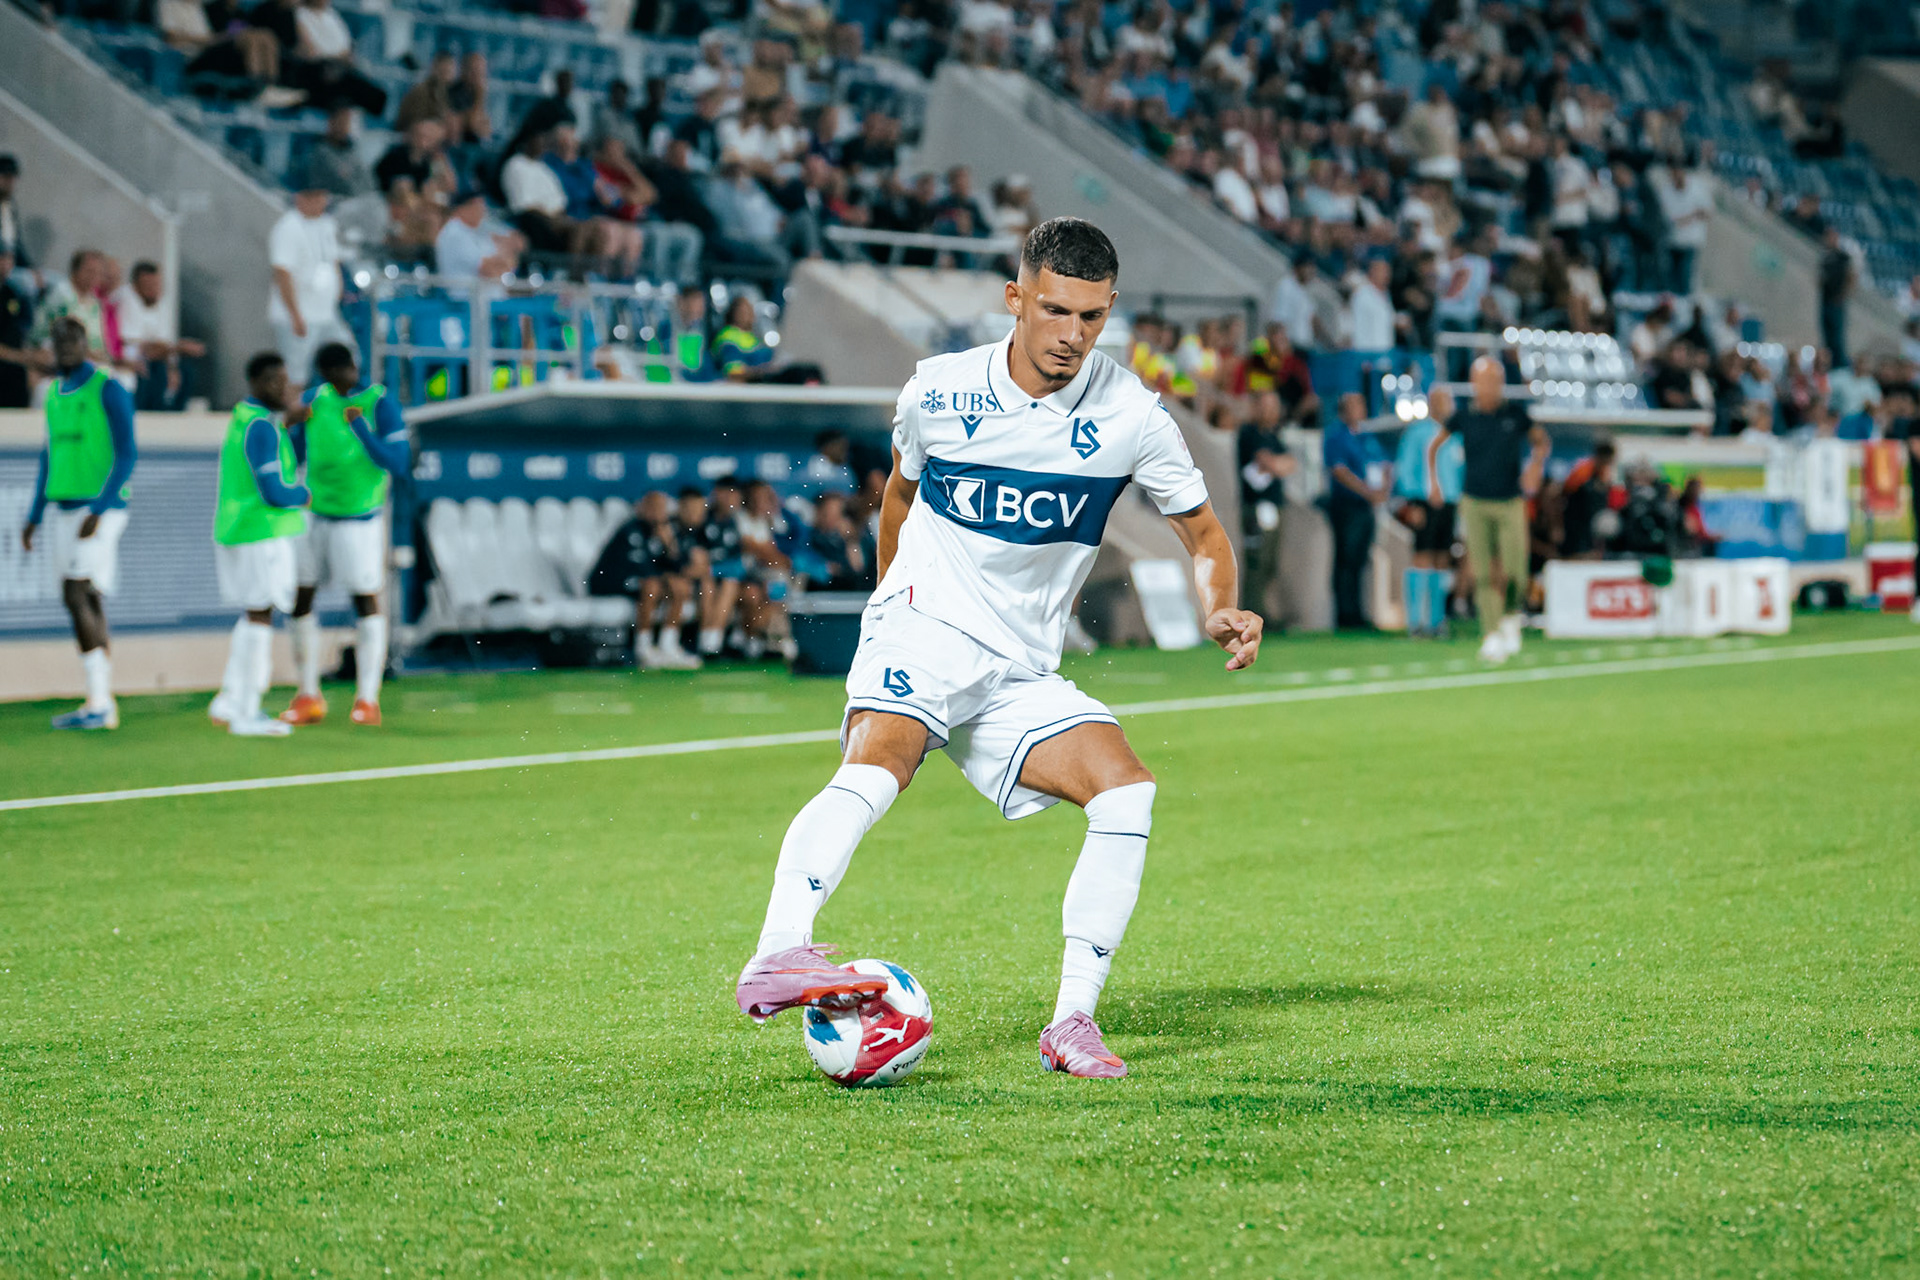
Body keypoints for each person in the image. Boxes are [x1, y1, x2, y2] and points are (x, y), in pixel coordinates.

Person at [733, 218, 1262, 1079]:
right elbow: (900, 500)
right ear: (1016, 299)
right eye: (1055, 311)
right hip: (926, 623)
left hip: (1019, 666)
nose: (1072, 335)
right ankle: (778, 950)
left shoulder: (1131, 416)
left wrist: (1223, 607)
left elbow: (1202, 534)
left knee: (1126, 793)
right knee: (877, 769)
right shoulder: (937, 391)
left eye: (1092, 318)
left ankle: (1071, 1024)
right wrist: (890, 604)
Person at [280, 343, 408, 727]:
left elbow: (397, 463)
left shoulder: (378, 402)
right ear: (323, 373)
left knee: (365, 599)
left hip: (359, 518)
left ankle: (368, 698)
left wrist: (361, 429)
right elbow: (294, 457)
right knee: (300, 597)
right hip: (315, 514)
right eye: (335, 373)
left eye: (348, 370)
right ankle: (308, 694)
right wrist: (289, 427)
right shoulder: (312, 402)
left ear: (356, 367)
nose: (344, 379)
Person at [19, 318, 138, 730]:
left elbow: (127, 454)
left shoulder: (109, 388)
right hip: (64, 510)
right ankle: (100, 701)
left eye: (73, 341)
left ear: (85, 344)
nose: (66, 348)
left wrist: (100, 508)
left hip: (101, 510)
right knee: (85, 597)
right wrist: (34, 515)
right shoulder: (53, 393)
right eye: (59, 342)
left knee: (76, 592)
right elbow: (48, 457)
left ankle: (102, 702)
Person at [207, 352, 310, 738]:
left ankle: (231, 699)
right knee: (261, 616)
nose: (287, 388)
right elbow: (273, 491)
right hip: (259, 532)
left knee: (252, 613)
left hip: (237, 529)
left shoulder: (246, 419)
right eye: (278, 381)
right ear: (260, 384)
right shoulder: (263, 428)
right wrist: (306, 495)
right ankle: (247, 711)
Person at [1453, 356, 1549, 662]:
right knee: (1482, 571)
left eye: (1495, 380)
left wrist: (1535, 466)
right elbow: (1436, 445)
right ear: (1473, 384)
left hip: (1510, 500)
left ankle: (1510, 615)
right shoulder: (1464, 418)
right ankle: (1491, 632)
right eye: (1483, 380)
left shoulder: (1515, 415)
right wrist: (1435, 484)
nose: (1489, 387)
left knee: (1515, 571)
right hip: (1475, 500)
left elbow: (1541, 442)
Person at [588, 490, 702, 670]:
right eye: (653, 507)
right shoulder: (631, 530)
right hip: (610, 582)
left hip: (637, 582)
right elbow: (638, 567)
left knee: (680, 585)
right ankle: (643, 648)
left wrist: (670, 545)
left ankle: (668, 645)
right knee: (652, 586)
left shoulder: (663, 532)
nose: (658, 513)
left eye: (661, 508)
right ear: (642, 508)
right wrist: (665, 577)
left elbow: (678, 567)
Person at [1391, 385, 1462, 637]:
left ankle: (1437, 620)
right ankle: (1415, 622)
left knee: (1442, 558)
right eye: (1442, 400)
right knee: (1421, 556)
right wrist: (1411, 502)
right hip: (1423, 500)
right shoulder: (1417, 432)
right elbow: (1405, 466)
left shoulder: (1455, 435)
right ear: (1432, 402)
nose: (1447, 405)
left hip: (1449, 502)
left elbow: (1459, 469)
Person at [268, 180, 353, 389]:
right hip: (299, 316)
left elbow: (333, 260)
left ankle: (337, 412)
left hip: (326, 313)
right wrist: (295, 314)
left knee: (345, 357)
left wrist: (338, 293)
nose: (320, 202)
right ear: (300, 198)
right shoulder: (288, 227)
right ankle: (288, 418)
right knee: (295, 374)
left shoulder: (326, 224)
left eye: (323, 197)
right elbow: (282, 272)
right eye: (314, 197)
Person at [1322, 391, 1389, 630]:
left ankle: (1358, 611)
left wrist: (1383, 490)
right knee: (1346, 560)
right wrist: (1367, 491)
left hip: (1366, 507)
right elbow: (1339, 471)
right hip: (1347, 506)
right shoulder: (1336, 436)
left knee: (1360, 560)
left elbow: (1384, 464)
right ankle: (1345, 614)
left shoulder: (1366, 436)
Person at [1235, 388, 1297, 623]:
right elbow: (1268, 462)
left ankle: (1263, 611)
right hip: (1256, 508)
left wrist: (1276, 464)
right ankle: (1254, 612)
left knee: (1270, 562)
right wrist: (1276, 464)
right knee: (1257, 561)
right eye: (1266, 405)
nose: (1271, 411)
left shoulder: (1273, 435)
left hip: (1273, 507)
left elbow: (1289, 464)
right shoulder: (1250, 433)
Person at [113, 261, 207, 411]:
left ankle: (172, 414)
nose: (153, 290)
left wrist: (173, 367)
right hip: (131, 358)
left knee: (185, 370)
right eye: (147, 285)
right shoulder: (127, 300)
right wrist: (179, 347)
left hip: (154, 358)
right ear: (135, 285)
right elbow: (142, 347)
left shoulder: (160, 304)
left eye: (156, 285)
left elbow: (163, 344)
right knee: (149, 367)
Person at [690, 476, 747, 656]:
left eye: (734, 494)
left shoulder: (736, 521)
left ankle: (712, 640)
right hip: (700, 576)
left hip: (725, 575)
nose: (731, 498)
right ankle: (708, 640)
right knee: (707, 585)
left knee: (729, 583)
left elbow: (738, 562)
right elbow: (695, 554)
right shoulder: (703, 518)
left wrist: (713, 569)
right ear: (716, 494)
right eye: (726, 493)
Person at [1818, 227, 1853, 369]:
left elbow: (1851, 276)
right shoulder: (1826, 256)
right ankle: (1830, 364)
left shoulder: (1843, 257)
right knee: (1826, 334)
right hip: (1825, 299)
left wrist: (1843, 295)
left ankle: (1840, 365)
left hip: (1836, 301)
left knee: (1837, 336)